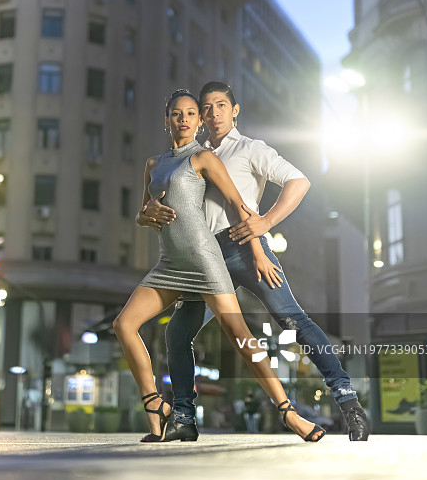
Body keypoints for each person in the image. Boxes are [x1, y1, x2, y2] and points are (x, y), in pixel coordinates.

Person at [138, 81, 370, 442]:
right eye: (207, 108)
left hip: (247, 249)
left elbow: (298, 181)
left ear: (235, 110)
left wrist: (265, 225)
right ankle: (183, 416)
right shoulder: (189, 155)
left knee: (292, 319)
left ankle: (347, 401)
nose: (213, 113)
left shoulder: (250, 149)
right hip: (205, 258)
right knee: (178, 332)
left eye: (220, 106)